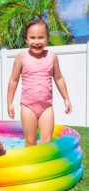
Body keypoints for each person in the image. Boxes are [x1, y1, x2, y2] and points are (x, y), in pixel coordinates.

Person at [7, 19, 72, 147]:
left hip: (46, 107)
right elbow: (13, 80)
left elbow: (58, 78)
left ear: (47, 38)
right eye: (32, 38)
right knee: (30, 141)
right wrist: (9, 102)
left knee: (46, 142)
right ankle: (30, 166)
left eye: (41, 37)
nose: (36, 42)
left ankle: (45, 166)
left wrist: (66, 99)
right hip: (28, 107)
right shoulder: (21, 57)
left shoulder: (51, 57)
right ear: (26, 39)